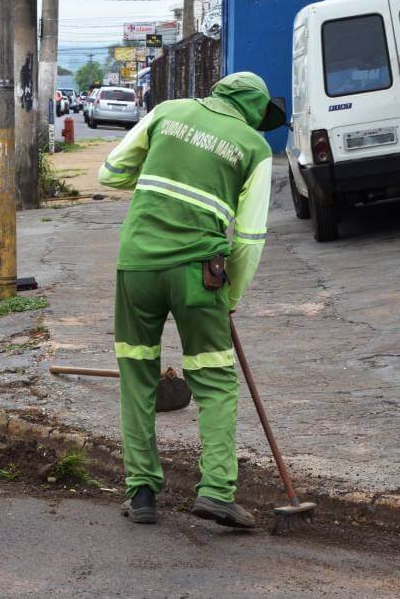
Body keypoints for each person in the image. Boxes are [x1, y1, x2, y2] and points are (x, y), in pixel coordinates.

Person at [98, 72, 284, 527]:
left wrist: (162, 175)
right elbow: (250, 238)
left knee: (138, 376)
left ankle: (141, 494)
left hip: (137, 265)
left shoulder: (168, 112)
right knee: (216, 383)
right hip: (200, 275)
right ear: (256, 112)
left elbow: (110, 171)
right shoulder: (255, 148)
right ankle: (217, 491)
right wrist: (233, 295)